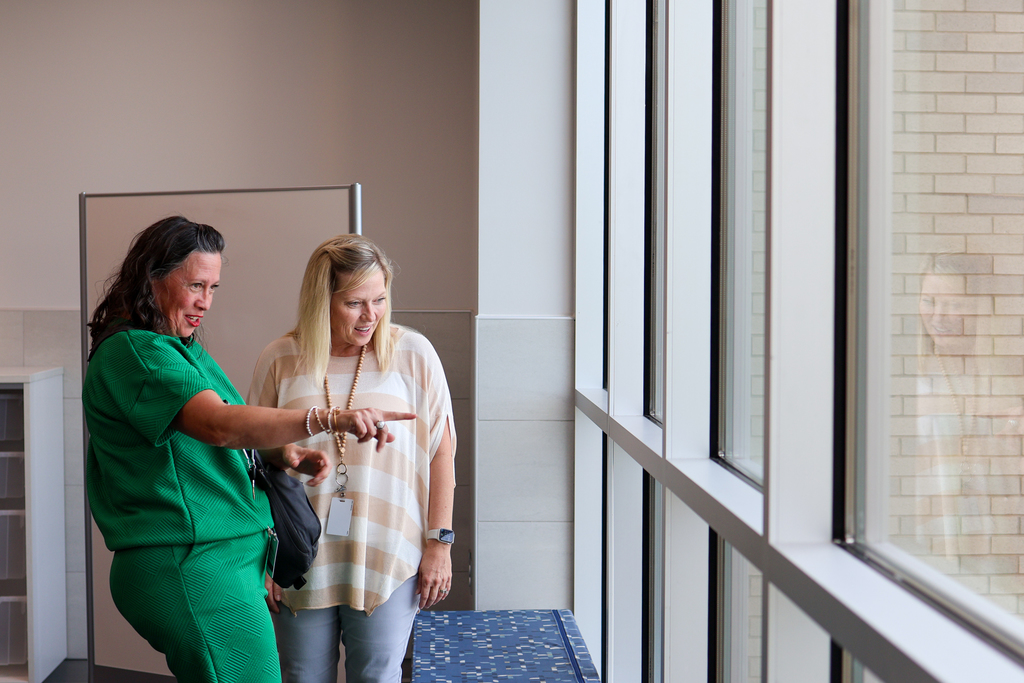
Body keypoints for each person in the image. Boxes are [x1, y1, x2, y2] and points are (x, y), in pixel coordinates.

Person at [83, 217, 414, 683]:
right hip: (192, 564)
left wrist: (281, 455)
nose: (205, 301)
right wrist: (328, 418)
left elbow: (197, 445)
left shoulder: (178, 347)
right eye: (195, 285)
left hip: (219, 561)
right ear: (151, 277)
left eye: (213, 287)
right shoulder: (137, 353)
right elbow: (219, 426)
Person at [248, 234, 456, 683]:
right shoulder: (280, 358)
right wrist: (260, 560)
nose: (371, 316)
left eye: (379, 300)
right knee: (301, 677)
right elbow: (253, 463)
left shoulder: (412, 354)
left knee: (378, 677)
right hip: (298, 560)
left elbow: (442, 449)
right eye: (355, 303)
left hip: (387, 553)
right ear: (322, 299)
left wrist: (440, 543)